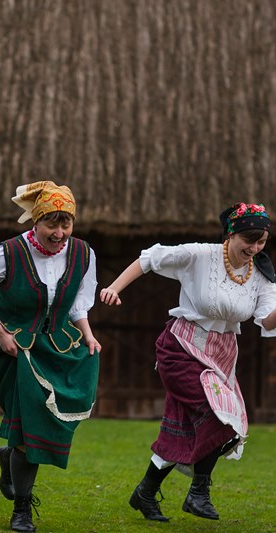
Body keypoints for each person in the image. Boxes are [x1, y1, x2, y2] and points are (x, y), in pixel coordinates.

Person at [100, 202, 276, 522]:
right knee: (221, 417)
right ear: (230, 234)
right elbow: (149, 258)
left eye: (261, 241)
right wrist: (114, 287)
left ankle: (145, 493)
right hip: (181, 349)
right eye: (249, 240)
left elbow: (266, 322)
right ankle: (199, 493)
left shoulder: (261, 276)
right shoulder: (201, 254)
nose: (255, 248)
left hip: (222, 357)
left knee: (182, 430)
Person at [0, 181, 101, 533]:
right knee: (29, 426)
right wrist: (1, 333)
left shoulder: (83, 254)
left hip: (57, 347)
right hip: (12, 348)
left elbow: (78, 304)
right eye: (51, 223)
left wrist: (87, 333)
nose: (59, 233)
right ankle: (21, 510)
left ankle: (10, 456)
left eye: (66, 224)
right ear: (36, 221)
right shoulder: (8, 253)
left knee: (44, 422)